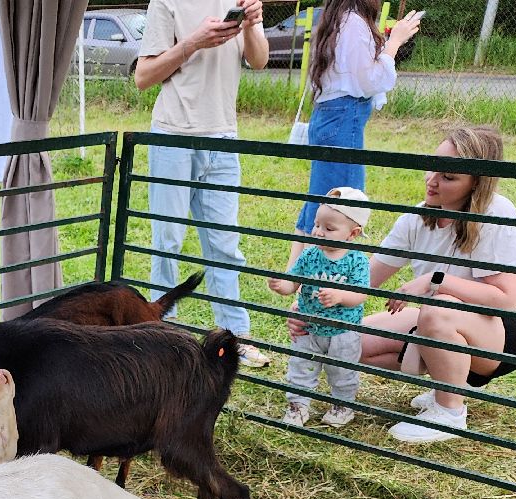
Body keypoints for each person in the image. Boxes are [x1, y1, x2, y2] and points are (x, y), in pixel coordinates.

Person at [328, 126, 516, 444]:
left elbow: (507, 300)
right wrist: (314, 305)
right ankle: (448, 378)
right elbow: (366, 280)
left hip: (504, 328)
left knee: (436, 308)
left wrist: (435, 281)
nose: (432, 180)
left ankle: (449, 413)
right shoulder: (417, 218)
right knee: (346, 340)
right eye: (433, 167)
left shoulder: (497, 213)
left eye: (449, 176)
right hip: (440, 318)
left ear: (476, 183)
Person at [136, 0, 271, 368]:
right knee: (168, 241)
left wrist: (252, 25)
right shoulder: (166, 2)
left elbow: (259, 60)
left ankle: (235, 336)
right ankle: (162, 337)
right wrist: (193, 42)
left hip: (223, 137)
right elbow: (143, 76)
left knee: (225, 244)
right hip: (173, 136)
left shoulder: (240, 1)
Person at [270, 1, 421, 285]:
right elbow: (369, 80)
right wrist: (394, 43)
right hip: (342, 119)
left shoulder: (338, 18)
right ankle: (313, 284)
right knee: (342, 207)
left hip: (331, 117)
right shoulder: (353, 22)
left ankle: (294, 278)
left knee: (321, 199)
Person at [269, 188, 371, 428]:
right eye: (316, 224)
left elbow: (361, 294)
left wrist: (340, 296)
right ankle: (298, 406)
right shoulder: (309, 255)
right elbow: (293, 283)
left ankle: (342, 406)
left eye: (329, 228)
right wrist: (281, 286)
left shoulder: (356, 260)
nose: (318, 232)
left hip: (343, 331)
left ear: (352, 233)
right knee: (301, 368)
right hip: (308, 327)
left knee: (342, 372)